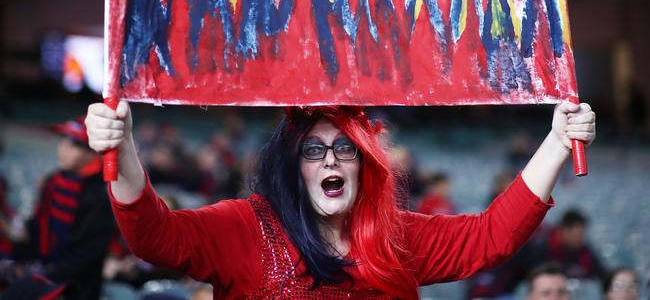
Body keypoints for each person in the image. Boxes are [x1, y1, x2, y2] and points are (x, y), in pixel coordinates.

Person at [85, 100, 596, 300]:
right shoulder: (245, 225)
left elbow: (491, 237)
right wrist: (122, 147)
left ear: (364, 165)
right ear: (293, 166)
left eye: (344, 150)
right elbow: (155, 237)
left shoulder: (396, 236)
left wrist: (555, 142)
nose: (330, 161)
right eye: (313, 150)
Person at [10, 116, 114, 300]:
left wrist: (45, 275)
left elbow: (87, 256)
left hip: (76, 289)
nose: (62, 150)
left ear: (92, 153)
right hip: (46, 272)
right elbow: (39, 227)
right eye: (62, 142)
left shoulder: (100, 195)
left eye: (72, 145)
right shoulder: (53, 181)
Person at [530, 209, 605, 282]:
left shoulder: (584, 252)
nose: (580, 240)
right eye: (577, 235)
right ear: (564, 230)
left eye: (582, 235)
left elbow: (602, 274)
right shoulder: (540, 247)